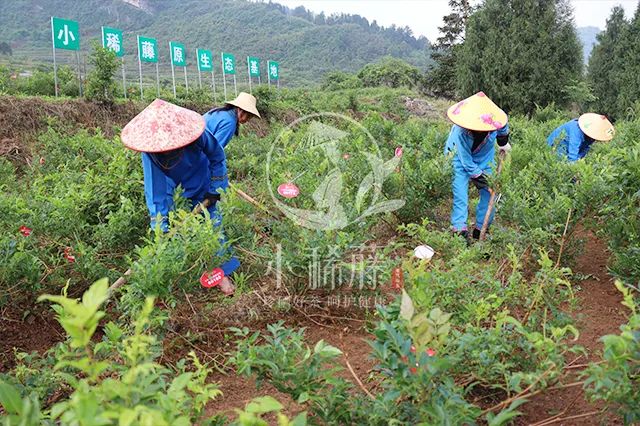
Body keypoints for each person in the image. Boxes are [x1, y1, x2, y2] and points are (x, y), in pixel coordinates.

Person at [121, 92, 261, 295]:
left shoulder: (195, 133)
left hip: (202, 180)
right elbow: (156, 192)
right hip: (177, 187)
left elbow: (217, 155)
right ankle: (189, 267)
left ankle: (221, 274)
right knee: (177, 229)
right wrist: (161, 228)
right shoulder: (150, 152)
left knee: (212, 225)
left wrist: (216, 188)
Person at [444, 91, 511, 241]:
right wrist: (479, 178)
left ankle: (481, 228)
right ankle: (459, 230)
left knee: (490, 193)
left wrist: (503, 141)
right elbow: (465, 160)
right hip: (458, 158)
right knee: (461, 194)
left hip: (485, 159)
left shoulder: (495, 120)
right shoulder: (461, 132)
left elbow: (503, 128)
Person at [546, 113, 615, 162]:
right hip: (556, 145)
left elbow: (585, 149)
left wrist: (578, 159)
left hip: (567, 147)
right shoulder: (576, 130)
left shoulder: (591, 135)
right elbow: (573, 152)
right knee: (559, 164)